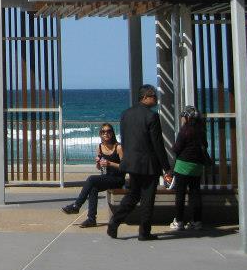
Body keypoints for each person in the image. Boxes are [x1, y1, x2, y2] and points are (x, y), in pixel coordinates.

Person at [107, 84, 171, 241]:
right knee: (147, 198)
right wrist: (166, 168)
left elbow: (126, 140)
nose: (156, 99)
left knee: (133, 195)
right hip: (148, 164)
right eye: (153, 96)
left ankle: (114, 222)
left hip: (132, 163)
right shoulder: (152, 116)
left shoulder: (125, 114)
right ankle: (144, 232)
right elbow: (157, 145)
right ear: (145, 97)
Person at [62, 123, 125, 227]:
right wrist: (98, 163)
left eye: (109, 131)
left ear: (112, 133)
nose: (106, 134)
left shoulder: (118, 147)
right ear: (100, 134)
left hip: (117, 179)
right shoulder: (99, 147)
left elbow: (125, 167)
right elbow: (99, 168)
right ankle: (91, 219)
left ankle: (77, 205)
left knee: (91, 179)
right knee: (93, 188)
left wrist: (110, 163)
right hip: (106, 177)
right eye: (103, 132)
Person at [168, 106, 208, 232]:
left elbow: (176, 148)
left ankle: (179, 221)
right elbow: (205, 145)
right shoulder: (201, 130)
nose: (181, 119)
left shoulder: (185, 130)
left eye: (182, 116)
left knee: (180, 194)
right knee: (195, 193)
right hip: (197, 166)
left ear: (187, 117)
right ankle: (196, 221)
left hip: (183, 166)